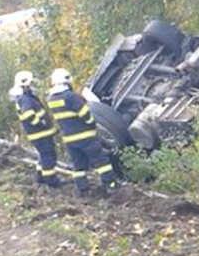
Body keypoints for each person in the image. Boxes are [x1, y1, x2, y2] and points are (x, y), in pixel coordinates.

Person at [45, 68, 118, 196]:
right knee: (101, 161)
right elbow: (85, 114)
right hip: (85, 137)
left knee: (78, 165)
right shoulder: (70, 96)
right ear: (67, 80)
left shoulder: (51, 99)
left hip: (69, 139)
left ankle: (82, 190)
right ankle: (111, 185)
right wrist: (91, 122)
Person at [10, 71, 63, 189]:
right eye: (30, 82)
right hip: (40, 134)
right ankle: (52, 181)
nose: (32, 84)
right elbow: (28, 115)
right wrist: (41, 123)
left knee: (43, 157)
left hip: (40, 134)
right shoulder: (25, 99)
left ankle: (40, 178)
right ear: (25, 84)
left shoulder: (25, 97)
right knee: (48, 156)